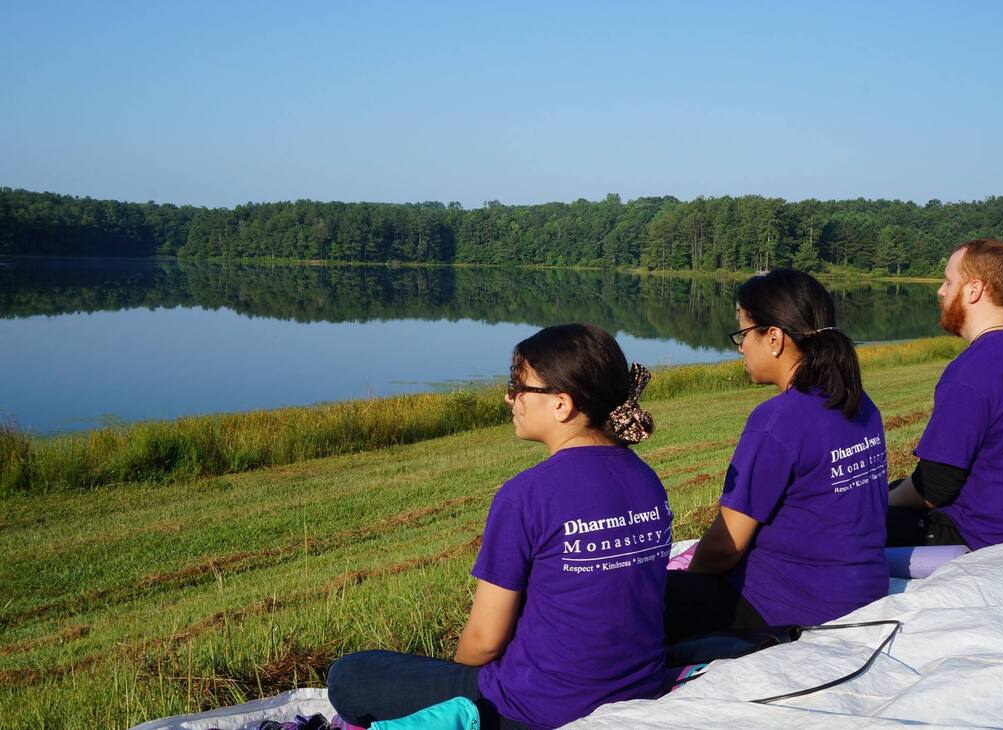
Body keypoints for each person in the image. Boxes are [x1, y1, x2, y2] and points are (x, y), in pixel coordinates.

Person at [328, 324, 672, 730]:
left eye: (518, 386)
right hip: (638, 686)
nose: (510, 397)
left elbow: (485, 641)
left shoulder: (527, 494)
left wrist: (452, 687)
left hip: (538, 705)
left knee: (350, 676)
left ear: (561, 404)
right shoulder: (646, 478)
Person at [666, 269, 889, 642]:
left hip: (790, 604)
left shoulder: (779, 421)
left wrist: (689, 583)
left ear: (774, 337)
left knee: (639, 602)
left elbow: (725, 547)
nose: (740, 347)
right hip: (863, 589)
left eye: (743, 333)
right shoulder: (859, 404)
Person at [887, 239, 1003, 550]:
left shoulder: (970, 374)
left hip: (983, 534)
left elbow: (935, 488)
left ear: (974, 289)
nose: (940, 291)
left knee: (849, 519)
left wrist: (882, 501)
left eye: (948, 281)